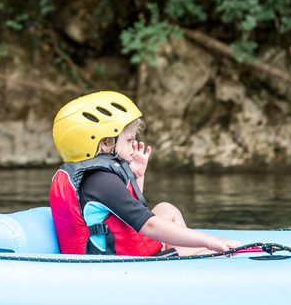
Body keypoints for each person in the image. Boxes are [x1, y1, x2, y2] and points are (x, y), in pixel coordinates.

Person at [49, 91, 241, 257]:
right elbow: (147, 225)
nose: (134, 143)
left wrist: (138, 175)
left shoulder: (96, 177)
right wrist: (210, 241)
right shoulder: (101, 181)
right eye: (129, 138)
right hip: (111, 260)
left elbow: (123, 214)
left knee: (166, 210)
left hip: (116, 248)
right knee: (215, 252)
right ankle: (194, 256)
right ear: (106, 142)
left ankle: (184, 252)